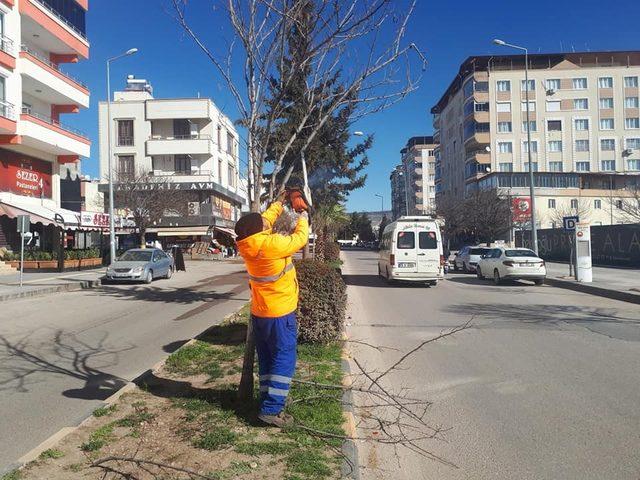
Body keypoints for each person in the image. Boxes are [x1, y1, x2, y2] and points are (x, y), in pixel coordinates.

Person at [234, 190, 309, 427]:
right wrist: (303, 216)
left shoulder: (249, 244)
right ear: (261, 229)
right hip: (280, 313)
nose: (267, 221)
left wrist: (280, 202)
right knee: (284, 358)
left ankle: (266, 398)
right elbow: (300, 238)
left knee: (267, 358)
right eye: (264, 223)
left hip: (260, 313)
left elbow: (265, 218)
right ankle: (272, 410)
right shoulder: (272, 245)